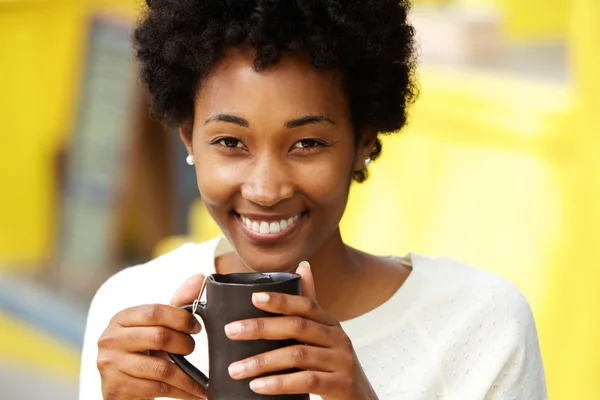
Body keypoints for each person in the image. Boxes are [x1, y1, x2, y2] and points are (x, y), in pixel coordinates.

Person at [78, 0, 547, 399]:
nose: (265, 189)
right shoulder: (131, 311)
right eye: (229, 142)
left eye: (306, 144)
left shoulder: (481, 326)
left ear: (363, 142)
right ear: (189, 141)